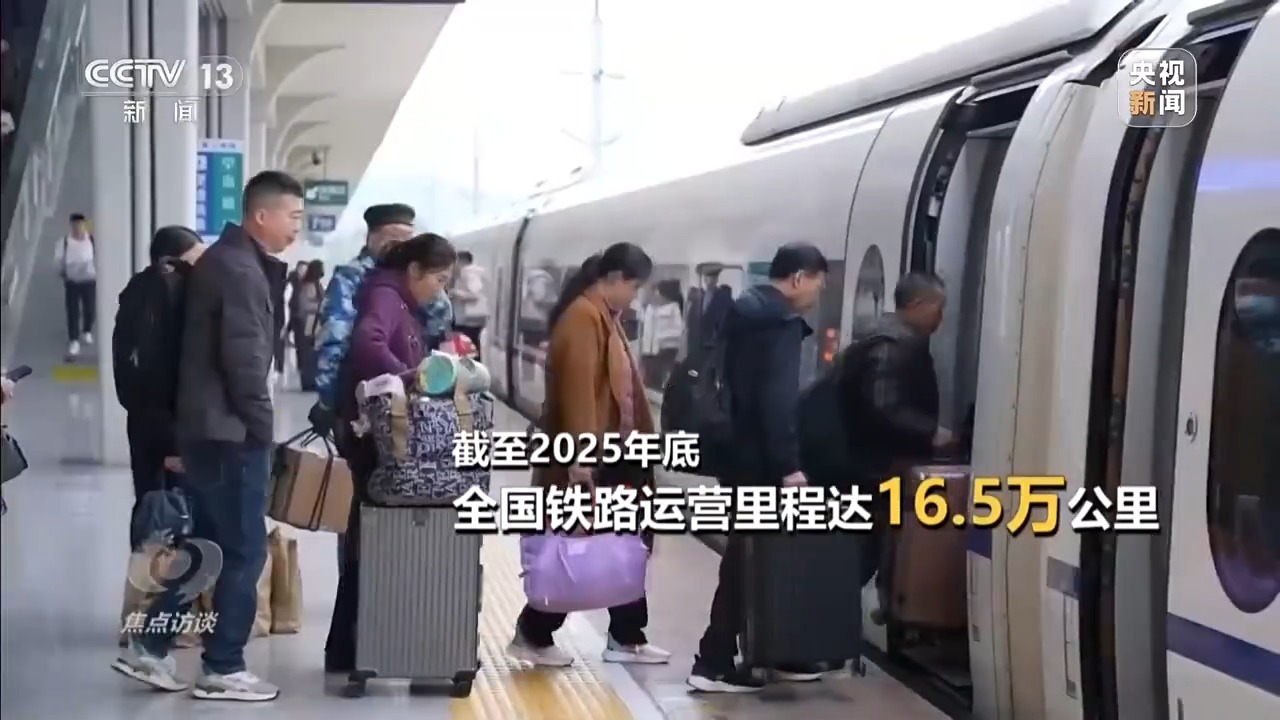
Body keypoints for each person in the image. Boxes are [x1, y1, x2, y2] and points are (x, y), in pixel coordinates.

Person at [111, 170, 302, 702]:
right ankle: (222, 667)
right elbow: (245, 365)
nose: (297, 227)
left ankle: (149, 647)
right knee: (243, 552)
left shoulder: (225, 261)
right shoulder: (240, 271)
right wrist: (263, 432)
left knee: (208, 548)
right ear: (261, 215)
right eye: (293, 216)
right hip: (229, 436)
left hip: (205, 432)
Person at [508, 243, 672, 668]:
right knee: (576, 545)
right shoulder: (583, 318)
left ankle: (627, 635)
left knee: (623, 542)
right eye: (633, 287)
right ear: (613, 279)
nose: (634, 296)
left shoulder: (603, 316)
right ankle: (534, 632)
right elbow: (578, 391)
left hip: (616, 451)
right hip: (593, 456)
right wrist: (580, 458)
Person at [688, 242, 829, 693]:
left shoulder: (743, 310)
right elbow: (776, 402)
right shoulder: (780, 325)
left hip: (735, 454)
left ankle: (774, 652)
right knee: (749, 562)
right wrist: (789, 466)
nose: (817, 295)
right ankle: (713, 662)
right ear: (799, 278)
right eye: (818, 285)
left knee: (755, 557)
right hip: (762, 464)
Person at [324, 233, 457, 674]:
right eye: (438, 279)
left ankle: (350, 646)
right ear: (414, 270)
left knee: (368, 536)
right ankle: (353, 645)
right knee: (371, 537)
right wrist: (408, 378)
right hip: (372, 438)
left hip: (377, 435)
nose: (440, 290)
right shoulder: (386, 295)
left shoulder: (399, 298)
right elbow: (368, 343)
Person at [839, 272, 950, 608]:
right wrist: (930, 432)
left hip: (870, 466)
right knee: (865, 553)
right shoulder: (893, 345)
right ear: (916, 304)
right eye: (938, 308)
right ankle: (821, 624)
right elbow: (883, 405)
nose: (941, 317)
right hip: (878, 470)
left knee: (869, 552)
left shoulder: (886, 337)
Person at [311, 204, 452, 429]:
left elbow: (439, 324)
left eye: (408, 238)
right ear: (371, 238)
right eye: (393, 237)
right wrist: (328, 400)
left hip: (404, 398)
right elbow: (334, 337)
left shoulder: (412, 275)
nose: (401, 245)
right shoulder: (351, 276)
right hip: (362, 396)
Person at [111, 225, 205, 528]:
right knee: (174, 516)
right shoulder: (167, 295)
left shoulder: (137, 293)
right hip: (169, 430)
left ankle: (148, 558)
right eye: (196, 258)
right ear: (171, 260)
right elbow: (159, 371)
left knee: (153, 508)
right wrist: (173, 443)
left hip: (143, 425)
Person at [56, 213, 97, 359]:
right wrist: (62, 271)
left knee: (90, 309)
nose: (77, 228)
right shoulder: (64, 242)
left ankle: (87, 330)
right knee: (73, 311)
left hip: (89, 280)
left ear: (84, 225)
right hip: (72, 281)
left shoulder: (91, 240)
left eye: (80, 225)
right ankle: (74, 339)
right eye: (75, 226)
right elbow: (58, 260)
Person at [639, 279, 684, 389]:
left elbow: (678, 330)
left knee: (661, 381)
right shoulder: (650, 309)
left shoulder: (673, 308)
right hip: (649, 351)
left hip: (665, 350)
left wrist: (661, 336)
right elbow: (645, 330)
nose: (656, 295)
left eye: (658, 292)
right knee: (648, 383)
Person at [291, 259, 325, 390]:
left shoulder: (313, 284)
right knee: (308, 352)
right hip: (309, 321)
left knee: (311, 352)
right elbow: (305, 305)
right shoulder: (309, 286)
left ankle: (310, 379)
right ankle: (308, 380)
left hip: (312, 321)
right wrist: (319, 307)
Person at [451, 250, 489, 360]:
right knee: (472, 349)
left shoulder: (469, 272)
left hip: (468, 320)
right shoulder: (478, 272)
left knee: (468, 349)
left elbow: (475, 295)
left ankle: (471, 368)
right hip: (475, 319)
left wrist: (454, 293)